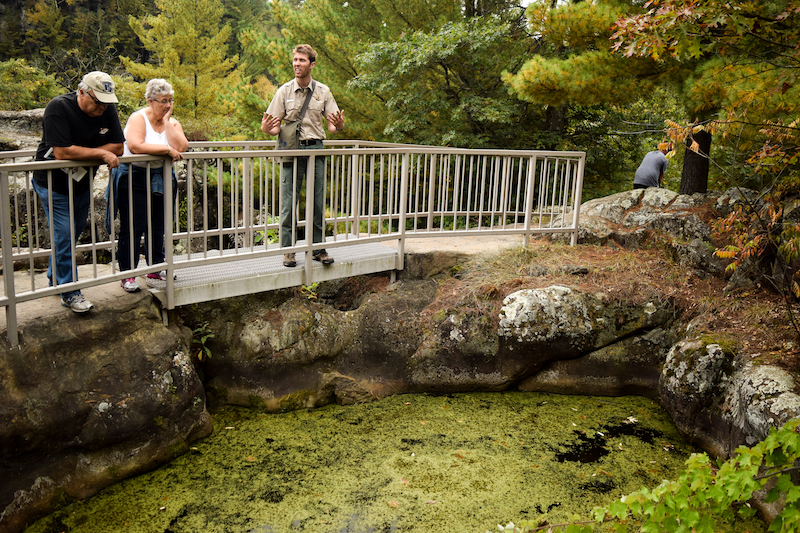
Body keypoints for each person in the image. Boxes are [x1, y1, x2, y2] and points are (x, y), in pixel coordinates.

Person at [32, 71, 125, 313]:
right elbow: (62, 152)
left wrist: (83, 150)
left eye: (107, 103)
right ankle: (70, 292)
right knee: (64, 233)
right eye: (98, 102)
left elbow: (119, 147)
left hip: (82, 184)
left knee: (70, 236)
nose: (102, 108)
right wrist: (101, 153)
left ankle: (56, 277)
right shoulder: (58, 107)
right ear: (82, 92)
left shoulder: (106, 107)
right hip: (52, 184)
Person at [261, 43, 345, 267]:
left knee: (318, 201)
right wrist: (266, 128)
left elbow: (333, 128)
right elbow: (272, 127)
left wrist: (339, 125)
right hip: (292, 149)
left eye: (302, 60)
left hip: (315, 148)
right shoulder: (284, 91)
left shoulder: (323, 91)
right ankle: (289, 251)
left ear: (312, 64)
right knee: (289, 201)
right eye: (295, 60)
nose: (297, 64)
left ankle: (318, 249)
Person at [109, 78, 188, 292]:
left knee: (159, 223)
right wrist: (165, 151)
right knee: (134, 225)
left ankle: (156, 266)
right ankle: (128, 274)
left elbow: (182, 146)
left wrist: (167, 121)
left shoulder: (171, 121)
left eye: (170, 100)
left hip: (160, 175)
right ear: (150, 101)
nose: (168, 105)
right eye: (163, 101)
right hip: (134, 175)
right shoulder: (138, 118)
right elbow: (135, 146)